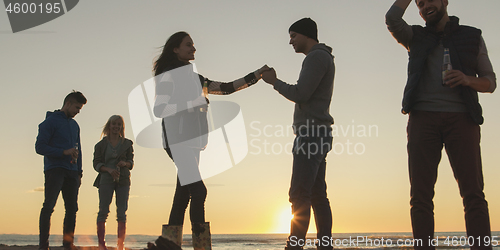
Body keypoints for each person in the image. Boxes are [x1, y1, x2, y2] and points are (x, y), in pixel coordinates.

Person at [386, 0, 496, 249]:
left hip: (462, 119)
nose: (426, 6)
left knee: (474, 195)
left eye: (431, 0)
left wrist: (467, 79)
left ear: (445, 1)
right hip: (422, 118)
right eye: (420, 3)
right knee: (421, 197)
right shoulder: (414, 35)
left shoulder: (471, 36)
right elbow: (392, 18)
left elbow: (490, 82)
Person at [152, 31, 269, 250]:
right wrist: (190, 102)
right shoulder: (168, 76)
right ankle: (202, 246)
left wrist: (256, 75)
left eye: (193, 45)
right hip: (177, 141)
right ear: (175, 49)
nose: (193, 48)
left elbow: (226, 88)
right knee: (199, 191)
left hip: (194, 142)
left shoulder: (196, 79)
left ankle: (168, 245)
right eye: (188, 45)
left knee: (183, 194)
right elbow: (160, 109)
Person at [261, 18, 335, 250]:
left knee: (299, 194)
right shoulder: (322, 57)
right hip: (318, 133)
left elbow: (301, 93)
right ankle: (324, 245)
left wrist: (274, 82)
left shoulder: (316, 57)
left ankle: (295, 246)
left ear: (306, 35)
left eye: (293, 36)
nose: (290, 41)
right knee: (316, 194)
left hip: (311, 134)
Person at [35, 91, 87, 250]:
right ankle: (43, 246)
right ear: (68, 103)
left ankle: (68, 244)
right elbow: (39, 147)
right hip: (55, 170)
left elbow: (79, 150)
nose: (78, 111)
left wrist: (79, 173)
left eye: (80, 109)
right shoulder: (49, 122)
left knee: (72, 209)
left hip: (72, 172)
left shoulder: (75, 125)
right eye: (77, 107)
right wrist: (63, 152)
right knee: (49, 206)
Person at [93, 115, 134, 250]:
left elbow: (131, 162)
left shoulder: (127, 144)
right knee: (103, 211)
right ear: (109, 126)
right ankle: (101, 244)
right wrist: (108, 170)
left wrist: (125, 163)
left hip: (123, 180)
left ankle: (120, 245)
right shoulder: (100, 145)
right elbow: (96, 164)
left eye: (119, 124)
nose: (116, 127)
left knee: (122, 212)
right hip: (105, 180)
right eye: (113, 124)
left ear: (122, 127)